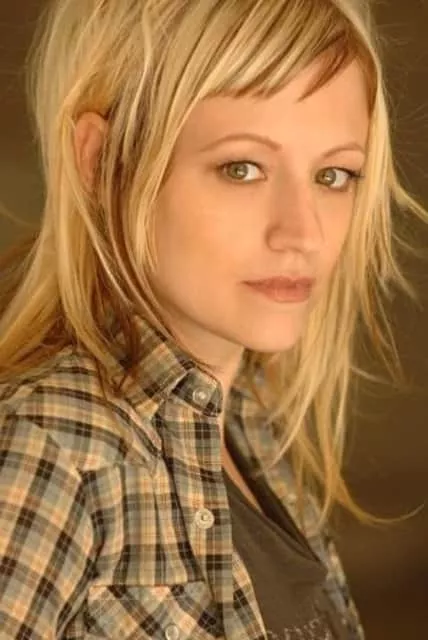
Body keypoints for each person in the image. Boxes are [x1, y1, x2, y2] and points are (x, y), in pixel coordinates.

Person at [0, 0, 426, 638]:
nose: (302, 233)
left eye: (333, 175)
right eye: (242, 169)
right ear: (102, 162)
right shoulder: (51, 449)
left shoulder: (253, 425)